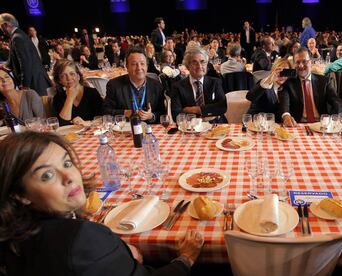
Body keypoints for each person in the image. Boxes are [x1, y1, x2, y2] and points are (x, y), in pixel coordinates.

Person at [0, 131, 204, 275]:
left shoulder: (12, 232)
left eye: (67, 163)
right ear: (19, 195)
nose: (69, 176)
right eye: (47, 175)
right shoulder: (83, 239)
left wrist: (117, 255)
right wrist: (186, 258)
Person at [278, 47, 342, 126]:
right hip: (298, 125)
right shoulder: (289, 83)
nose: (300, 65)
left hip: (321, 124)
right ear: (294, 64)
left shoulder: (324, 81)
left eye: (304, 61)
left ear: (311, 62)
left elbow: (335, 100)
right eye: (297, 62)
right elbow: (284, 104)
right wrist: (286, 116)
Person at [103, 47, 165, 124]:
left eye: (142, 63)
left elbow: (163, 113)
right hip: (124, 129)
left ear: (147, 66)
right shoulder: (114, 85)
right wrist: (125, 113)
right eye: (134, 64)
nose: (139, 68)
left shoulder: (157, 86)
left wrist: (151, 116)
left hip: (149, 130)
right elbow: (106, 111)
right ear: (127, 67)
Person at [170, 46, 227, 123]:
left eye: (202, 62)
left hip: (215, 126)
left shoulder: (215, 82)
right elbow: (176, 115)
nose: (199, 66)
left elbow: (222, 107)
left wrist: (195, 109)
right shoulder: (177, 87)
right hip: (190, 128)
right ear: (188, 66)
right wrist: (208, 114)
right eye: (194, 62)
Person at [0, 13, 51, 96]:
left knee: (40, 108)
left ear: (5, 25)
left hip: (34, 84)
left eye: (0, 26)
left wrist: (25, 86)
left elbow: (25, 63)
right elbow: (15, 59)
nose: (1, 29)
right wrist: (4, 65)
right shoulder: (19, 35)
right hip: (36, 81)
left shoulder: (17, 38)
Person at [52, 60, 102, 126]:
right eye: (63, 76)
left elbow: (103, 118)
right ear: (59, 81)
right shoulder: (58, 98)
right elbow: (61, 124)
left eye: (72, 74)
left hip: (93, 133)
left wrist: (88, 123)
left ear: (78, 76)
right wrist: (70, 98)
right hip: (70, 135)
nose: (69, 78)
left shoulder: (92, 93)